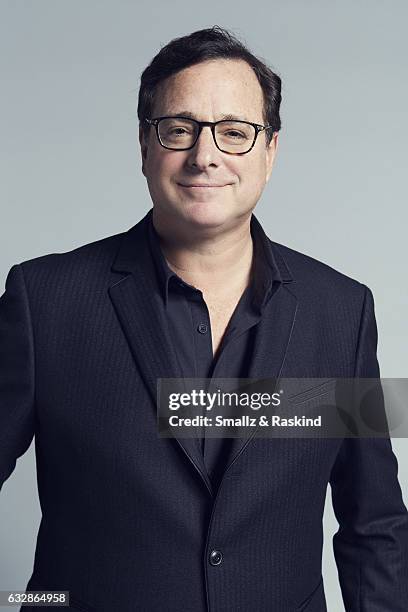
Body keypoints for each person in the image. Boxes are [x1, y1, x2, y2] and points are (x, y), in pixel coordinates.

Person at [1, 25, 407, 612]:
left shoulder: (341, 312)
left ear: (270, 152)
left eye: (235, 132)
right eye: (179, 129)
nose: (205, 154)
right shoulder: (45, 301)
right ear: (144, 145)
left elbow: (376, 524)